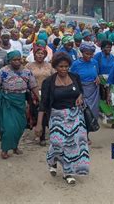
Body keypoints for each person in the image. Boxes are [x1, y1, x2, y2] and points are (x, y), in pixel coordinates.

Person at [35, 52, 89, 185]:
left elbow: (81, 92)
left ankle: (68, 172)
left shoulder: (75, 77)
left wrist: (80, 97)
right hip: (57, 116)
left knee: (73, 145)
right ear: (55, 67)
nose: (64, 69)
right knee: (58, 143)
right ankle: (52, 160)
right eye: (61, 66)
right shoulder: (49, 82)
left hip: (75, 116)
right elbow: (44, 103)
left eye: (66, 66)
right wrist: (39, 124)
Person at [0, 50, 38, 159]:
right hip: (7, 101)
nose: (17, 62)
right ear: (9, 61)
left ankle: (15, 146)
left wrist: (39, 98)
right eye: (14, 60)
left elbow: (33, 86)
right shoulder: (3, 71)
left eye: (19, 59)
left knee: (20, 126)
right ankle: (5, 149)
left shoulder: (27, 71)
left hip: (20, 102)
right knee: (8, 127)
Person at [25, 44, 55, 145]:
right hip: (34, 93)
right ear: (34, 54)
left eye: (42, 53)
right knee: (37, 113)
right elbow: (25, 78)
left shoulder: (49, 66)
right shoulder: (29, 66)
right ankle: (39, 133)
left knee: (46, 113)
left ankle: (43, 136)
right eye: (38, 53)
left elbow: (54, 77)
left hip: (47, 93)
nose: (40, 55)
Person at [70, 42, 100, 124]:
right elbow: (72, 78)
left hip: (93, 91)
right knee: (82, 113)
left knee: (92, 113)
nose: (89, 56)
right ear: (82, 53)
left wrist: (97, 77)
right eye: (87, 54)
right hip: (81, 90)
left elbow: (96, 73)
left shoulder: (94, 62)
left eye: (91, 54)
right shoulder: (76, 64)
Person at [94, 40, 114, 122]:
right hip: (100, 80)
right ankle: (107, 115)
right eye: (107, 47)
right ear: (102, 48)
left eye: (110, 47)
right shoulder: (98, 56)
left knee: (110, 98)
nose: (109, 49)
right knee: (102, 98)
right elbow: (94, 68)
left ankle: (111, 116)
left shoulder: (112, 57)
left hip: (110, 81)